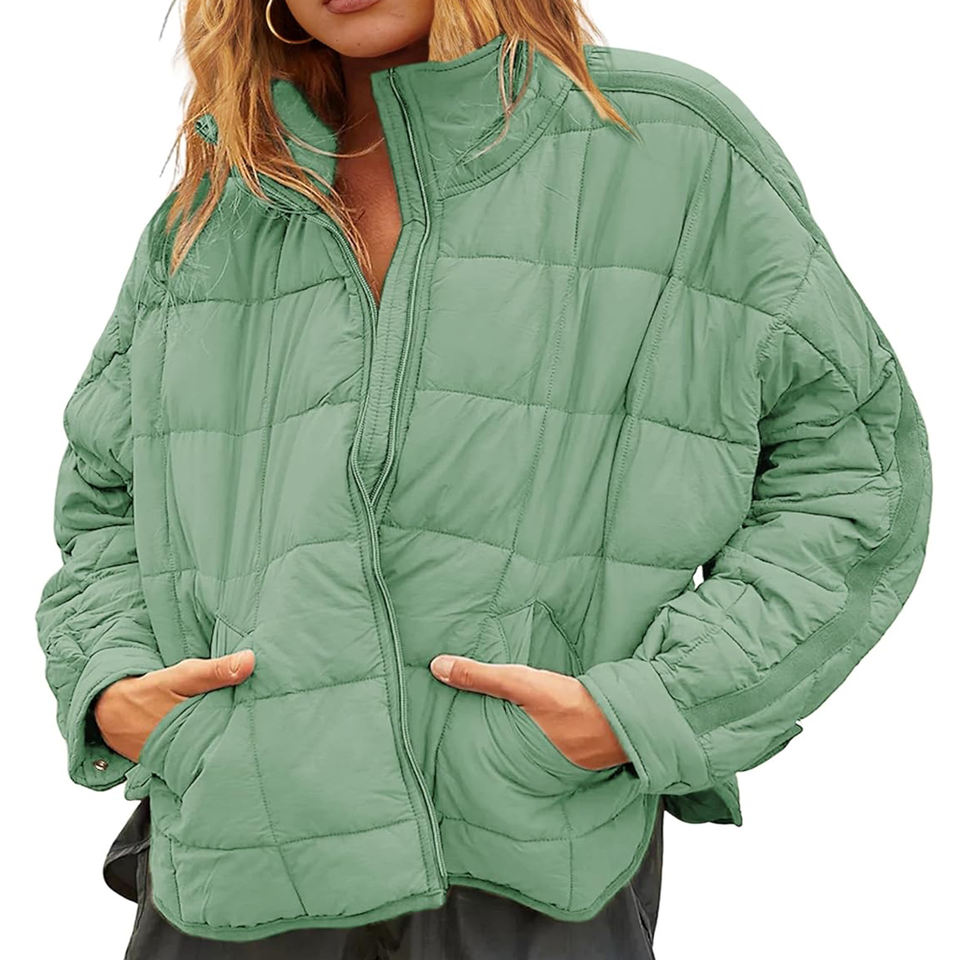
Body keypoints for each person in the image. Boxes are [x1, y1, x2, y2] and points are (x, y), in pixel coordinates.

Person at [35, 1, 933, 957]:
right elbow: (107, 496)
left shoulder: (664, 146)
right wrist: (116, 689)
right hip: (235, 857)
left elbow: (853, 472)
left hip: (529, 858)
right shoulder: (224, 199)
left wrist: (646, 708)